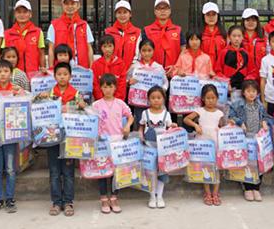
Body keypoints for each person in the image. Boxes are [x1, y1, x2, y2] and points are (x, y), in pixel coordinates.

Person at [36, 62, 85, 217]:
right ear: (55, 76)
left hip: (70, 139)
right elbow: (35, 107)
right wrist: (38, 97)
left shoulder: (77, 94)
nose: (62, 77)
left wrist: (82, 105)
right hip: (52, 137)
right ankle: (57, 202)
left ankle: (68, 201)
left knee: (68, 172)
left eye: (65, 74)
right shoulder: (49, 94)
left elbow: (84, 113)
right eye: (59, 74)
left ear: (70, 76)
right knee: (55, 172)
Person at [0, 60, 25, 214]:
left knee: (10, 169)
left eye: (6, 71)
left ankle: (9, 198)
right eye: (0, 71)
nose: (3, 74)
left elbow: (25, 104)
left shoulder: (15, 89)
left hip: (11, 134)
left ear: (11, 73)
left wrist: (20, 93)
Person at [93, 73, 134, 214]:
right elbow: (91, 120)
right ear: (100, 88)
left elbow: (130, 116)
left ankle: (114, 198)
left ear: (115, 87)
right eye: (105, 87)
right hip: (102, 143)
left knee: (116, 172)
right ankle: (104, 199)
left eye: (110, 87)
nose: (108, 90)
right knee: (103, 171)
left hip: (118, 142)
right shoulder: (96, 105)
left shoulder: (120, 103)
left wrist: (127, 125)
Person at [183, 84, 226, 206]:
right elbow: (186, 119)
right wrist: (196, 125)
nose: (210, 100)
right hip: (203, 144)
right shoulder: (200, 111)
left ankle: (215, 193)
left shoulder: (219, 113)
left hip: (215, 143)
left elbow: (223, 127)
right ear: (203, 98)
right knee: (205, 167)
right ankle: (207, 192)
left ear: (217, 98)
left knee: (216, 168)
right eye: (208, 98)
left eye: (213, 98)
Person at [228, 80, 269, 202]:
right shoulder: (238, 105)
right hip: (245, 139)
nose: (251, 94)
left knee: (258, 164)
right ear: (243, 92)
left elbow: (265, 116)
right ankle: (247, 188)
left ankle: (256, 188)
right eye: (248, 91)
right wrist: (240, 123)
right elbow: (231, 116)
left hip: (257, 139)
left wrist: (264, 122)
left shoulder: (260, 106)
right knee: (247, 163)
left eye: (254, 91)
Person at [139, 86, 176, 209]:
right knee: (150, 172)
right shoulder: (145, 113)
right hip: (149, 148)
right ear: (148, 99)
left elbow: (169, 129)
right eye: (153, 98)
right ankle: (152, 196)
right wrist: (140, 136)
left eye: (159, 97)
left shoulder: (167, 114)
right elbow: (141, 127)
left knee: (162, 173)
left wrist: (173, 127)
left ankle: (159, 196)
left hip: (162, 149)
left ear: (164, 99)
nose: (156, 100)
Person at [127, 39, 169, 126]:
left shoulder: (158, 67)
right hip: (139, 102)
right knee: (140, 123)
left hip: (155, 101)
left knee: (156, 124)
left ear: (153, 51)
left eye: (149, 50)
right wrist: (129, 82)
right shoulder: (135, 66)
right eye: (144, 50)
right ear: (140, 51)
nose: (147, 53)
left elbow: (166, 82)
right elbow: (127, 80)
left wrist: (163, 90)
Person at [47, 0, 94, 69]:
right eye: (67, 4)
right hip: (61, 68)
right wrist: (51, 69)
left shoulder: (84, 25)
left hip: (82, 67)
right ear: (62, 5)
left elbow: (89, 49)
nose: (70, 6)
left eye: (73, 3)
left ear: (78, 5)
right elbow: (51, 49)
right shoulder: (54, 25)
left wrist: (92, 68)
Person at [1, 0, 46, 76]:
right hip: (13, 76)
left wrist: (43, 69)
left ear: (30, 14)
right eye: (19, 12)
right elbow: (2, 56)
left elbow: (41, 54)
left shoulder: (38, 32)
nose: (22, 15)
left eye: (25, 12)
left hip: (33, 75)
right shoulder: (7, 34)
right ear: (15, 14)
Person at [142, 0, 185, 71]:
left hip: (174, 72)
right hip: (153, 72)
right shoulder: (147, 31)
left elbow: (183, 50)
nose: (162, 11)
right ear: (155, 11)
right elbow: (142, 52)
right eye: (159, 8)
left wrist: (176, 67)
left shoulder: (178, 30)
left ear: (170, 11)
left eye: (165, 8)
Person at [104, 0, 141, 75]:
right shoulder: (108, 32)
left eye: (125, 12)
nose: (122, 15)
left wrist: (130, 70)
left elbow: (138, 55)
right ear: (115, 15)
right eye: (119, 12)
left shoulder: (137, 32)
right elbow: (105, 52)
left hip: (131, 72)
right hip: (112, 72)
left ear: (130, 14)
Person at [217, 26, 251, 97]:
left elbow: (252, 72)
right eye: (234, 36)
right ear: (229, 37)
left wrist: (247, 84)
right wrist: (226, 83)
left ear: (243, 37)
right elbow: (218, 71)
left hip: (244, 90)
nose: (237, 39)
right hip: (227, 89)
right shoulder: (224, 52)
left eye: (239, 36)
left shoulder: (246, 54)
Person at [91, 35, 127, 101]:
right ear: (100, 47)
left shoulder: (121, 64)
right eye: (104, 46)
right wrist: (101, 100)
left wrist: (116, 101)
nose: (107, 49)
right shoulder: (96, 64)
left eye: (110, 46)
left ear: (114, 47)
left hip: (117, 102)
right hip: (100, 101)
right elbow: (95, 84)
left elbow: (122, 85)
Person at [241, 8, 267, 82]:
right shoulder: (239, 38)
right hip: (243, 77)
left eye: (253, 20)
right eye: (247, 20)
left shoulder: (264, 39)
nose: (250, 23)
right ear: (243, 22)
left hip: (262, 76)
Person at [200, 2, 226, 68]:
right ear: (203, 16)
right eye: (208, 14)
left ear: (218, 16)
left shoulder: (224, 34)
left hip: (221, 70)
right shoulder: (199, 34)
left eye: (214, 14)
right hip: (203, 70)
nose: (211, 17)